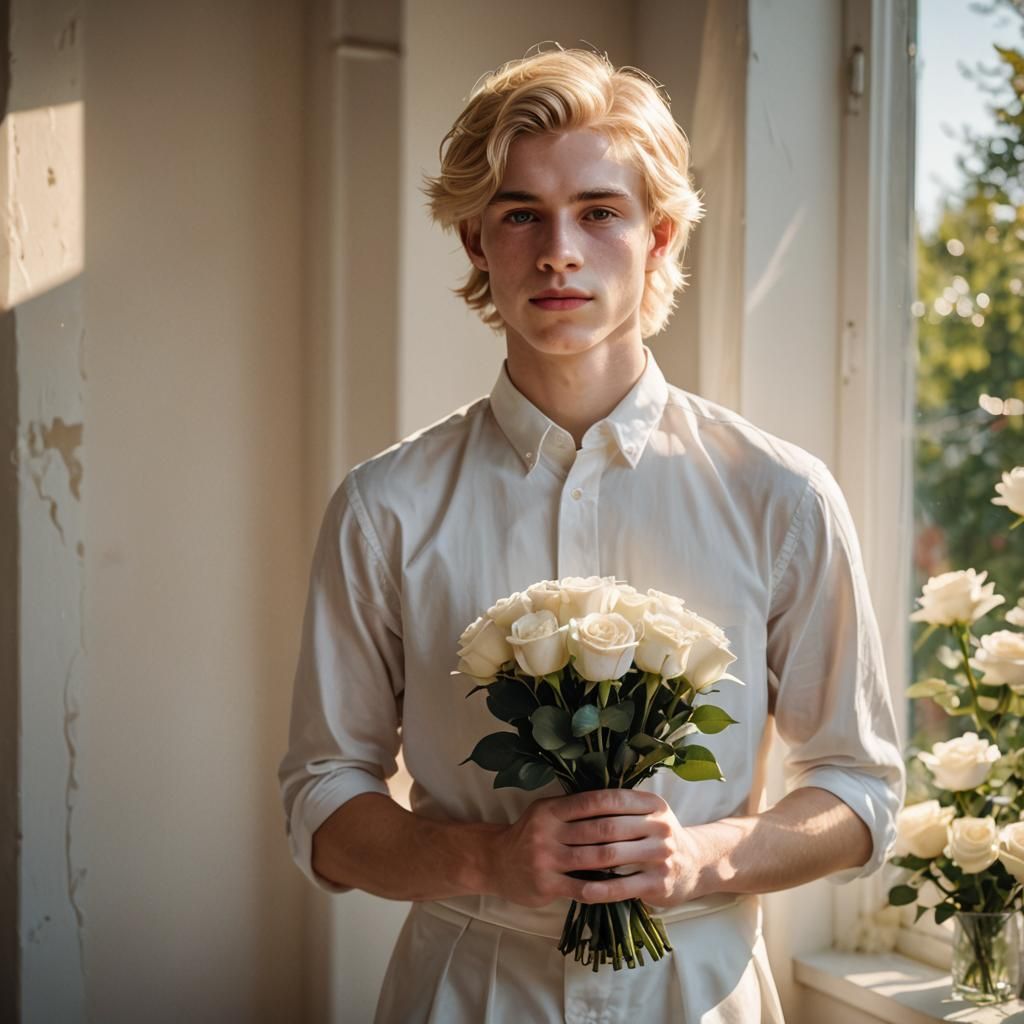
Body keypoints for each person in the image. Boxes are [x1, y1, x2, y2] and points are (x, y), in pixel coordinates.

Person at [278, 46, 905, 1023]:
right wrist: (484, 857)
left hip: (698, 992)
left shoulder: (781, 495)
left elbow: (860, 786)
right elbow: (323, 796)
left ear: (658, 238)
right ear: (475, 243)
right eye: (521, 212)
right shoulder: (383, 505)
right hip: (464, 990)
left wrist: (702, 854)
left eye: (598, 212)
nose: (558, 250)